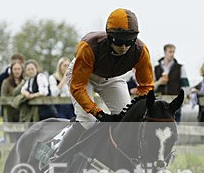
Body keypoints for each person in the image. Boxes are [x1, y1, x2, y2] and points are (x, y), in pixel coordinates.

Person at [55, 8, 155, 156]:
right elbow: (78, 87)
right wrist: (98, 113)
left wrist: (140, 109)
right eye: (119, 41)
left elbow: (146, 87)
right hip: (84, 77)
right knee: (87, 121)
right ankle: (57, 156)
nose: (124, 47)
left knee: (127, 122)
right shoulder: (88, 47)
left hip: (113, 78)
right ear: (109, 37)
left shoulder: (141, 51)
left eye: (129, 42)